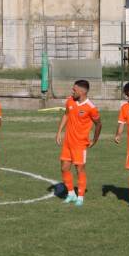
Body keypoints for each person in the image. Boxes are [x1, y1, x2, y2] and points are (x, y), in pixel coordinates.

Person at [54, 79, 101, 207]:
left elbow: (98, 124)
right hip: (68, 142)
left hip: (80, 144)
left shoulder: (91, 108)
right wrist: (59, 132)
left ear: (82, 91)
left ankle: (80, 196)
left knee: (79, 169)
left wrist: (95, 139)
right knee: (64, 168)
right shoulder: (70, 101)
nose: (72, 91)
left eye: (74, 90)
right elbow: (66, 115)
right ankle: (71, 194)